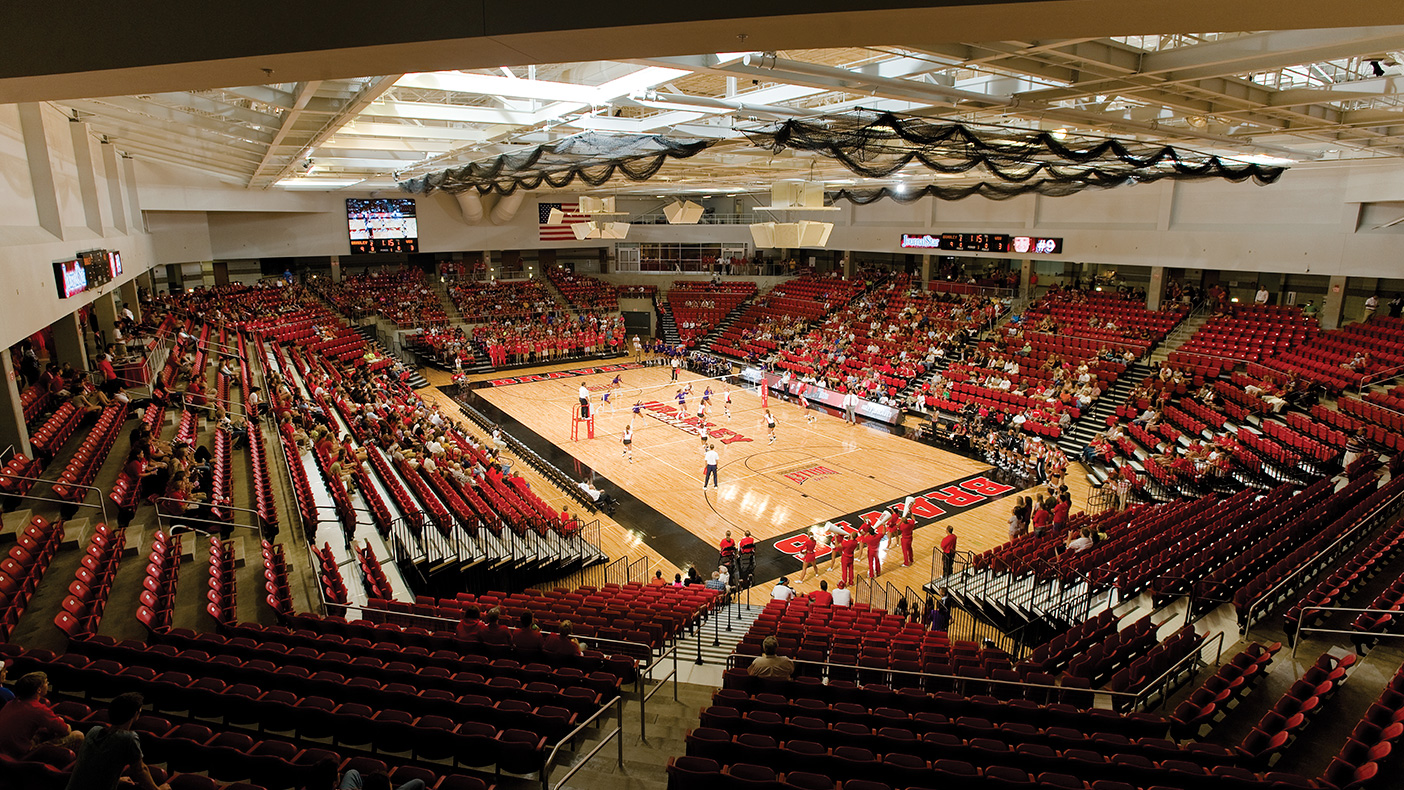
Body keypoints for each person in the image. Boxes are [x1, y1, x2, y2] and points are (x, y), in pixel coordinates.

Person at [63, 691, 168, 790]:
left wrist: (116, 780)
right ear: (136, 714)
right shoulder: (128, 738)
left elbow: (94, 767)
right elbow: (140, 770)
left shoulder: (93, 731)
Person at [0, 672, 83, 759]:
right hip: (20, 755)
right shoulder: (38, 709)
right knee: (78, 735)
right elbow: (65, 730)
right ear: (39, 690)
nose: (48, 684)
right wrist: (63, 723)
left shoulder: (11, 703)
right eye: (46, 682)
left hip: (5, 750)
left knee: (45, 732)